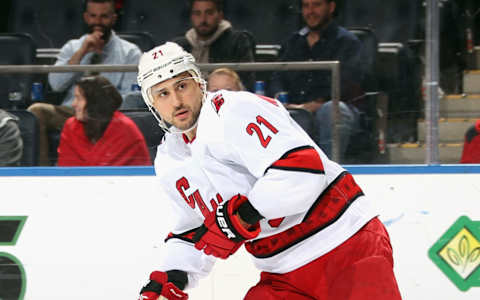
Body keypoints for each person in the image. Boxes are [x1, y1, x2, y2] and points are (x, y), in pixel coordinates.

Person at [135, 42, 401, 300]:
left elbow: (302, 169)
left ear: (199, 83)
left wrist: (244, 215)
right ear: (152, 104)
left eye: (182, 86)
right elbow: (196, 230)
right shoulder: (170, 160)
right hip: (282, 274)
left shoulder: (234, 110)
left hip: (344, 244)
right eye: (163, 93)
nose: (177, 101)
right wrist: (173, 276)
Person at [28, 0, 142, 166]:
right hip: (72, 110)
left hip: (107, 115)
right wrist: (82, 53)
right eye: (93, 16)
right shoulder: (72, 47)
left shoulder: (130, 52)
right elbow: (56, 84)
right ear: (86, 17)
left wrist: (98, 107)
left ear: (113, 18)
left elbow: (129, 97)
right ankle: (44, 173)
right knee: (37, 111)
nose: (98, 22)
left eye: (104, 17)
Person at [269, 0, 365, 161]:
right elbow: (276, 78)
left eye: (316, 5)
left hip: (335, 108)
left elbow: (348, 83)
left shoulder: (347, 42)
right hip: (297, 108)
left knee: (332, 110)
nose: (310, 11)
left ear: (331, 7)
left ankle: (329, 173)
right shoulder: (292, 42)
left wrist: (317, 103)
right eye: (306, 6)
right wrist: (281, 100)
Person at [57, 75, 151, 166]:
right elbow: (66, 170)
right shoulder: (71, 126)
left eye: (79, 98)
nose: (73, 104)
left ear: (94, 102)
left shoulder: (125, 128)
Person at [172, 0, 255, 90]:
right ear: (191, 16)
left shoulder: (237, 41)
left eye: (209, 13)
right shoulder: (178, 46)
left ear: (220, 15)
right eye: (197, 13)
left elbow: (246, 84)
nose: (203, 19)